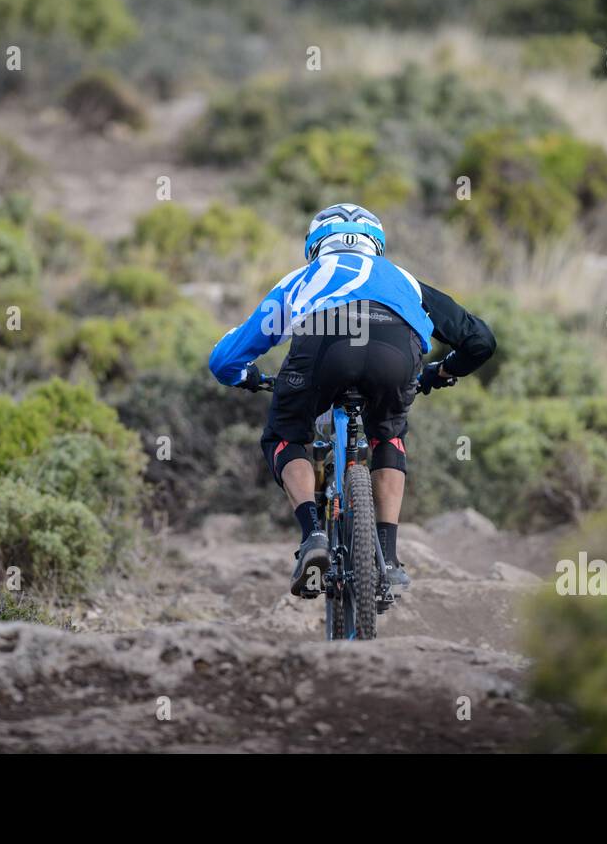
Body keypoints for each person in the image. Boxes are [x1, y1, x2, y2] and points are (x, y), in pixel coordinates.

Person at [208, 203, 496, 595]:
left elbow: (225, 359)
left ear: (315, 245)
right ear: (376, 245)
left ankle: (313, 536)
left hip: (325, 344)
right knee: (388, 436)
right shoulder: (404, 280)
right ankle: (390, 561)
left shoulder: (302, 278)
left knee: (285, 436)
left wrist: (248, 377)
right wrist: (439, 372)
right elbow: (481, 341)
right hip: (395, 350)